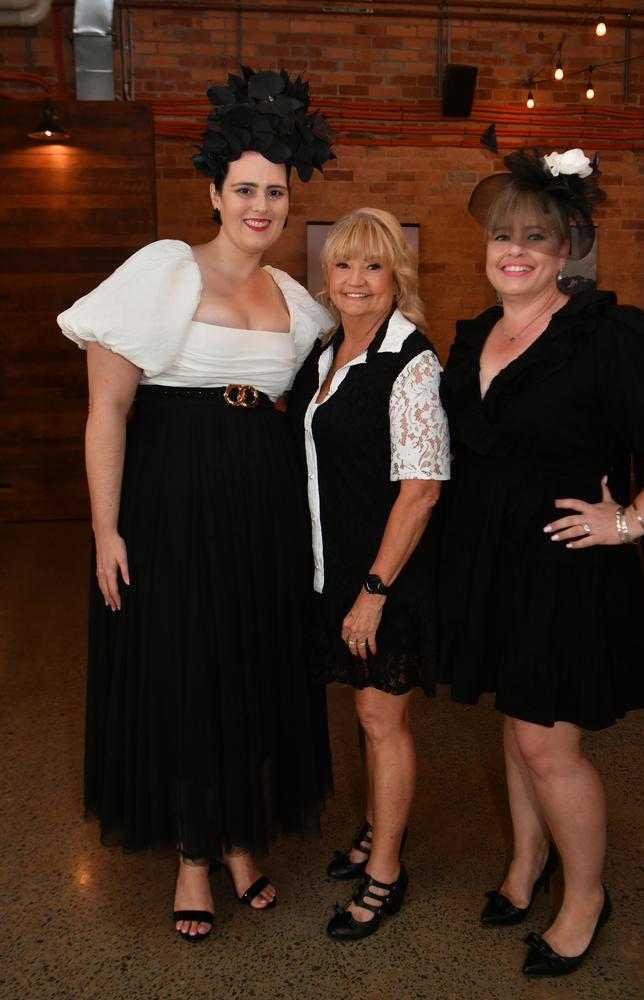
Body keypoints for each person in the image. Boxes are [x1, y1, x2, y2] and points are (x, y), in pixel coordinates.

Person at [57, 66, 335, 942]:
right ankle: (192, 854)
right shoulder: (162, 272)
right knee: (186, 676)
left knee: (254, 668)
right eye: (245, 189)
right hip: (173, 510)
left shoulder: (294, 300)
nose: (262, 205)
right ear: (215, 193)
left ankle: (245, 839)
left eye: (275, 192)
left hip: (264, 516)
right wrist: (105, 530)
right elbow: (107, 407)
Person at [438, 147, 644, 976]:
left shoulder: (608, 334)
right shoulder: (477, 332)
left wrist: (629, 522)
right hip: (492, 562)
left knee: (546, 743)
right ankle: (526, 867)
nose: (514, 250)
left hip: (567, 564)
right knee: (516, 721)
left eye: (536, 236)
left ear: (568, 250)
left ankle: (587, 898)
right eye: (502, 237)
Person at [288, 208, 451, 940]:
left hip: (385, 579)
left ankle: (386, 870)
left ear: (397, 277)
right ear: (328, 276)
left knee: (384, 719)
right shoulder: (325, 353)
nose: (357, 280)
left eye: (373, 266)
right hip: (337, 570)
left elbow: (421, 491)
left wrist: (375, 593)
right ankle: (373, 831)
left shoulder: (412, 362)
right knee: (363, 711)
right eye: (344, 265)